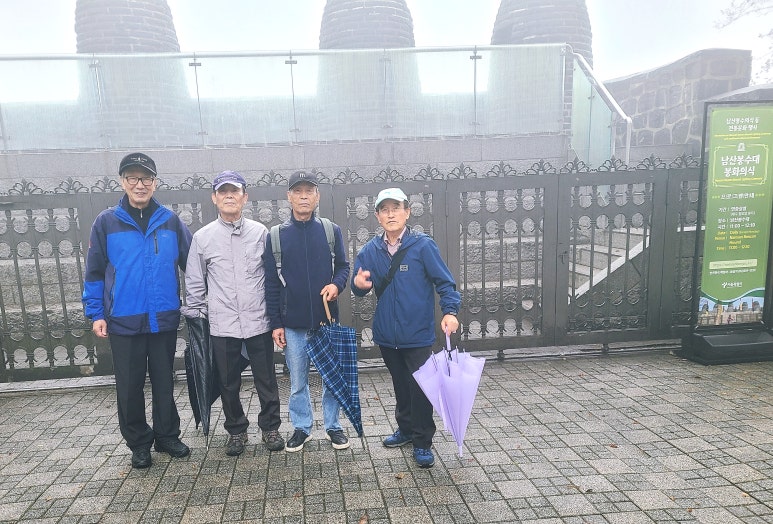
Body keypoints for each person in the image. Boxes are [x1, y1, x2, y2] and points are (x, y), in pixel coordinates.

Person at [82, 152, 192, 469]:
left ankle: (167, 436)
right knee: (129, 387)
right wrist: (96, 313)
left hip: (163, 318)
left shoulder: (170, 221)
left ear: (155, 183)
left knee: (164, 382)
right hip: (122, 320)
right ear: (123, 182)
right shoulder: (106, 222)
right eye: (133, 178)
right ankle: (139, 443)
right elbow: (94, 272)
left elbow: (194, 265)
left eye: (146, 178)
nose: (140, 184)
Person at [351, 187, 461, 468]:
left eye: (396, 208)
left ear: (407, 212)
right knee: (401, 385)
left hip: (417, 334)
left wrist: (450, 312)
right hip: (388, 335)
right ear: (377, 216)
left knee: (421, 388)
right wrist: (358, 284)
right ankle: (406, 429)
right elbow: (359, 286)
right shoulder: (370, 250)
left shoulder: (423, 246)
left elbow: (445, 282)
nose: (391, 214)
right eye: (385, 210)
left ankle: (422, 441)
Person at [182, 170, 285, 456]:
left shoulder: (260, 232)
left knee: (266, 379)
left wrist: (275, 314)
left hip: (258, 320)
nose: (229, 196)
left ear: (244, 197)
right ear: (214, 198)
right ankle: (236, 430)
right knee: (228, 382)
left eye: (234, 191)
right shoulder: (203, 238)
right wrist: (199, 319)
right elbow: (194, 281)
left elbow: (271, 276)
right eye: (223, 191)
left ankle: (270, 427)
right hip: (223, 323)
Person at [263, 171, 351, 452]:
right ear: (289, 197)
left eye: (309, 191)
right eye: (298, 191)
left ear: (317, 196)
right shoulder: (276, 236)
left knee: (331, 378)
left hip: (326, 322)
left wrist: (336, 285)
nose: (303, 197)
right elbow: (271, 284)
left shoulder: (330, 231)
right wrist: (276, 324)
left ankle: (333, 426)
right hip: (293, 325)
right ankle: (302, 427)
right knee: (298, 382)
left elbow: (344, 267)